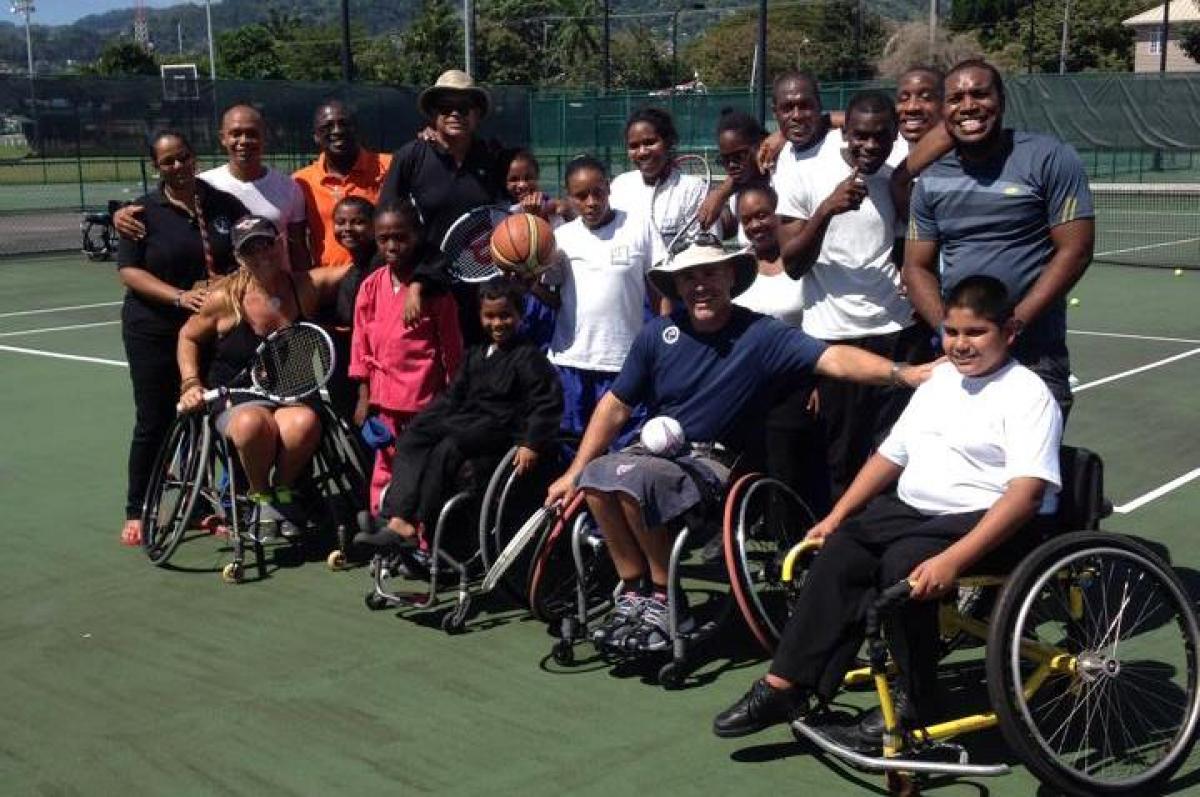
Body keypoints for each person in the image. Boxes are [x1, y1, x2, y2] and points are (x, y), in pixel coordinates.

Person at [712, 275, 1063, 741]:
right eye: (952, 332)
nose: (960, 344)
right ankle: (787, 685)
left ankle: (918, 702)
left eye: (975, 333)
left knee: (902, 567)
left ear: (1009, 333)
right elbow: (889, 457)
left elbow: (1025, 496)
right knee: (842, 549)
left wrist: (953, 559)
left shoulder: (1028, 394)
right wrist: (836, 516)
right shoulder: (939, 381)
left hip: (986, 518)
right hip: (914, 511)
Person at [544, 240, 932, 652]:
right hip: (654, 456)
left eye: (710, 273)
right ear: (676, 286)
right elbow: (615, 406)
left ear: (731, 277)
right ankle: (636, 592)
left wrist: (903, 373)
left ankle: (666, 599)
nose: (700, 285)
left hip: (716, 463)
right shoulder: (658, 334)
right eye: (689, 277)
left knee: (634, 480)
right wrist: (573, 472)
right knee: (597, 477)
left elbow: (833, 359)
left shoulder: (761, 334)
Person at [903, 60, 1095, 416]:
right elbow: (915, 267)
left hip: (1036, 355)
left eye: (980, 94)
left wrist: (1013, 325)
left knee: (1029, 470)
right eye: (956, 98)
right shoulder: (930, 180)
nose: (968, 106)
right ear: (944, 109)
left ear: (1001, 101)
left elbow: (1076, 250)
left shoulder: (1050, 158)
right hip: (962, 359)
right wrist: (953, 332)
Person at [778, 90, 932, 498]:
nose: (870, 146)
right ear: (845, 132)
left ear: (894, 135)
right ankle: (836, 546)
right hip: (834, 338)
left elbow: (909, 243)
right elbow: (792, 264)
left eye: (881, 137)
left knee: (897, 456)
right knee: (839, 460)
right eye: (861, 136)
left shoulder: (900, 172)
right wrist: (827, 210)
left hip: (898, 333)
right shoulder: (804, 171)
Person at [354, 279, 563, 547]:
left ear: (519, 315)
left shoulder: (528, 357)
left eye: (505, 315)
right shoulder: (476, 354)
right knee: (414, 435)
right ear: (479, 316)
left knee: (448, 447)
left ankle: (415, 522)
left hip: (500, 427)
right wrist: (424, 422)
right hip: (467, 420)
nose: (497, 323)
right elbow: (452, 396)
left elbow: (546, 402)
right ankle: (395, 514)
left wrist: (531, 442)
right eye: (490, 316)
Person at [177, 217, 350, 535]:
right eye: (250, 250)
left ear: (281, 244)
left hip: (289, 395)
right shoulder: (223, 300)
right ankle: (258, 495)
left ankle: (280, 493)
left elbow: (361, 268)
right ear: (239, 257)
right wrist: (190, 383)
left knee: (304, 424)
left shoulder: (306, 287)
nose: (261, 255)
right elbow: (188, 337)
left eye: (267, 244)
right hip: (235, 397)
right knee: (252, 424)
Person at [116, 130, 248, 547]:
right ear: (157, 167)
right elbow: (130, 272)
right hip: (153, 331)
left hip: (209, 331)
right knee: (155, 420)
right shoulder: (141, 212)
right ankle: (140, 508)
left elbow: (248, 255)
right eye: (168, 161)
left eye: (184, 157)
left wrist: (225, 283)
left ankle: (201, 505)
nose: (178, 167)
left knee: (206, 417)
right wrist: (180, 297)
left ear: (194, 156)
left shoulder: (221, 203)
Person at [348, 200, 463, 514]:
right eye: (383, 238)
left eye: (401, 237)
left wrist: (453, 398)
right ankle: (381, 527)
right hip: (384, 403)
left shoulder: (436, 294)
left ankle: (419, 537)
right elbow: (360, 343)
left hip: (423, 401)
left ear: (417, 236)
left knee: (420, 469)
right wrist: (363, 394)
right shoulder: (371, 286)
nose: (392, 245)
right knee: (383, 466)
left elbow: (452, 352)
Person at [377, 70, 507, 344]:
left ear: (477, 114)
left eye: (464, 108)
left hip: (482, 286)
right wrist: (415, 280)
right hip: (425, 284)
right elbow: (386, 219)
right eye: (445, 108)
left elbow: (515, 208)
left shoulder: (493, 157)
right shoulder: (411, 156)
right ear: (433, 115)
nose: (455, 114)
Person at [115, 105, 312, 273]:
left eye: (252, 134)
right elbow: (162, 204)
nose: (243, 141)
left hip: (276, 295)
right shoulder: (202, 184)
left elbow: (299, 251)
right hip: (224, 299)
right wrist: (120, 215)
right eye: (235, 134)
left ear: (264, 137)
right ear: (223, 138)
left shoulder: (288, 187)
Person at [733, 184, 829, 517]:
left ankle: (791, 535)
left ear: (780, 214)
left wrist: (818, 379)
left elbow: (822, 322)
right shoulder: (735, 267)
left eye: (763, 215)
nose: (756, 225)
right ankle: (745, 526)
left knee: (789, 462)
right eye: (747, 219)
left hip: (795, 384)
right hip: (747, 385)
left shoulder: (803, 265)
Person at [550, 156, 658, 443]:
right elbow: (551, 296)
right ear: (569, 198)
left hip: (623, 362)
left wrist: (662, 344)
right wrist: (524, 279)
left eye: (597, 192)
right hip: (572, 361)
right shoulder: (561, 238)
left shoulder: (639, 226)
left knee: (623, 450)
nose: (591, 202)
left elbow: (660, 290)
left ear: (608, 188)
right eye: (581, 196)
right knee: (572, 446)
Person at [293, 100, 393, 268]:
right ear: (316, 136)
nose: (337, 131)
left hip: (380, 277)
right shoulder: (301, 182)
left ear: (357, 130)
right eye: (327, 126)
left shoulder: (389, 167)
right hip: (328, 284)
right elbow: (297, 240)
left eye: (344, 124)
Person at [610, 107, 715, 260]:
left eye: (650, 142)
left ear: (668, 142)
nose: (642, 152)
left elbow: (705, 253)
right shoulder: (620, 186)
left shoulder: (692, 189)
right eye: (633, 146)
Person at [327, 195, 378, 420]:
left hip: (373, 380)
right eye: (340, 222)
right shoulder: (352, 271)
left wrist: (364, 394)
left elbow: (372, 336)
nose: (347, 229)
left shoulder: (380, 268)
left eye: (358, 222)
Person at [697, 110, 771, 246]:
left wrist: (721, 193)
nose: (732, 165)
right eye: (725, 159)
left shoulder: (779, 179)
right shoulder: (737, 192)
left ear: (759, 146)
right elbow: (731, 227)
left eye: (739, 156)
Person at [502, 148, 570, 226]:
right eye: (514, 179)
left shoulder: (553, 208)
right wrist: (532, 216)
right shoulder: (498, 214)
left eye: (528, 178)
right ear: (504, 182)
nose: (522, 185)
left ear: (537, 177)